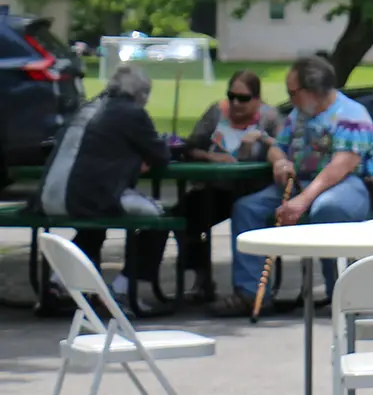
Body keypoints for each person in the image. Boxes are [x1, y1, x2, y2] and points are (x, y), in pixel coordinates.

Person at [216, 56, 373, 315]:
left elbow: (341, 166)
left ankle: (342, 294)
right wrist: (280, 161)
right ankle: (250, 293)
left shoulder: (351, 115)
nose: (290, 98)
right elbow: (277, 146)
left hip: (350, 184)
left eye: (292, 92)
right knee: (247, 208)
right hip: (302, 182)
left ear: (312, 91)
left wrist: (302, 201)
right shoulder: (298, 115)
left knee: (328, 210)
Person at [35, 64, 172, 311]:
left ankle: (57, 283)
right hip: (88, 197)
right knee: (160, 219)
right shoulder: (132, 113)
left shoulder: (87, 107)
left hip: (48, 196)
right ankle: (120, 290)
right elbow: (161, 155)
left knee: (94, 226)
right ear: (141, 95)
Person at [177, 69, 284, 298]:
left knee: (247, 213)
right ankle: (201, 278)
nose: (236, 103)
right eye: (231, 96)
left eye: (243, 98)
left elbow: (285, 148)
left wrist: (263, 140)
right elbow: (190, 147)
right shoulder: (216, 113)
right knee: (183, 217)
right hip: (217, 190)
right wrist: (211, 157)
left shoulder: (270, 118)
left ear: (257, 99)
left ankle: (252, 289)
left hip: (255, 190)